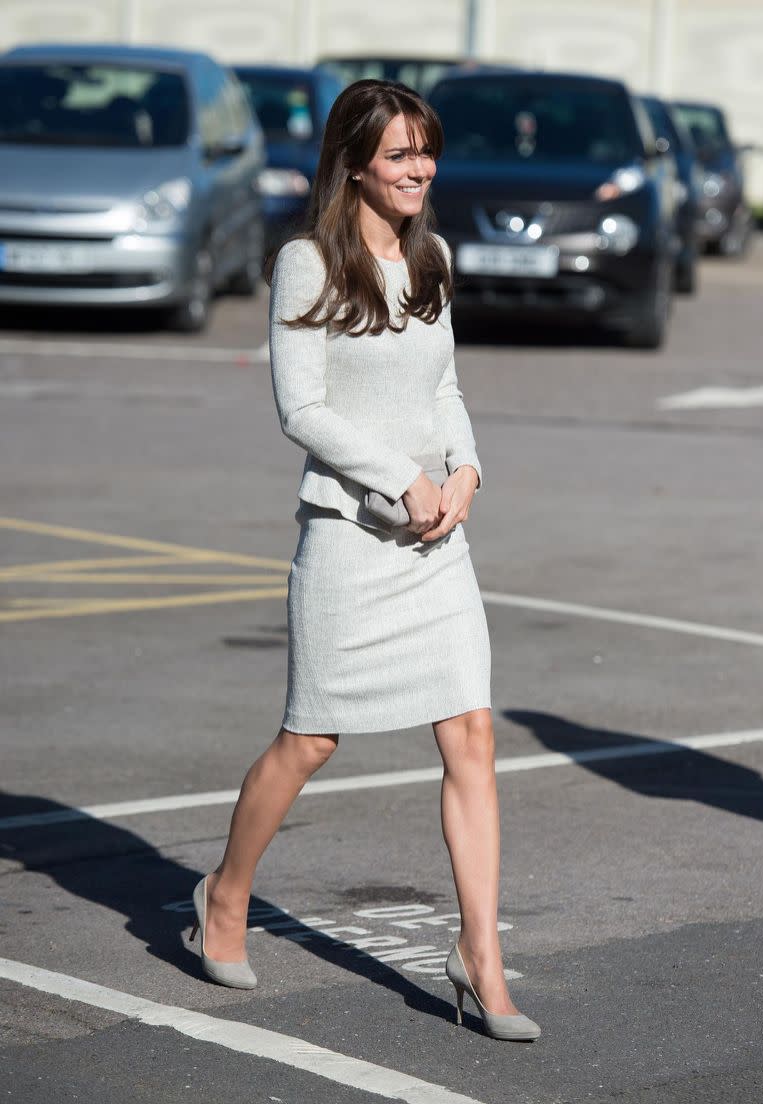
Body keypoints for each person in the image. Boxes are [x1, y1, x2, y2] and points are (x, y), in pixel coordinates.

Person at [189, 79, 540, 1041]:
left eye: (425, 151)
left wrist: (466, 469)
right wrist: (400, 478)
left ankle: (482, 959)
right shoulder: (306, 265)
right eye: (399, 155)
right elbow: (301, 409)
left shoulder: (432, 255)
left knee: (472, 733)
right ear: (353, 163)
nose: (419, 169)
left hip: (438, 542)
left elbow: (446, 388)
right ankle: (224, 896)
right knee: (312, 738)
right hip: (350, 536)